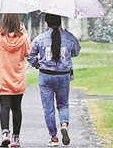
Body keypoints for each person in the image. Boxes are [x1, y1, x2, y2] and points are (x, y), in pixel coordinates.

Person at [27, 13, 81, 146]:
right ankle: (64, 123)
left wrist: (37, 64)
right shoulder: (68, 37)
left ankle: (54, 137)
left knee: (48, 108)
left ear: (46, 23)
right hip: (63, 76)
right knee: (63, 104)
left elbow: (30, 55)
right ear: (60, 22)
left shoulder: (40, 38)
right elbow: (76, 51)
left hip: (46, 75)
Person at [0, 13, 32, 148]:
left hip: (2, 79)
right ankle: (16, 138)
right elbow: (29, 52)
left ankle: (5, 134)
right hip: (18, 80)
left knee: (4, 107)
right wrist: (25, 33)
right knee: (17, 109)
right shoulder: (23, 38)